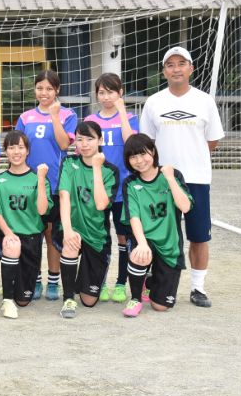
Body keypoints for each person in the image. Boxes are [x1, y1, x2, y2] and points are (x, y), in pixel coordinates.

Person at [139, 46, 224, 308]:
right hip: (162, 181)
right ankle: (156, 281)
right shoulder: (154, 102)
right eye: (170, 65)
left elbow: (212, 142)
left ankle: (198, 288)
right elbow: (147, 143)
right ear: (164, 71)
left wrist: (191, 159)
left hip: (196, 179)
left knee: (199, 236)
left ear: (191, 68)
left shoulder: (204, 101)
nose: (176, 69)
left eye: (181, 63)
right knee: (160, 235)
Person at [16, 70, 77, 302]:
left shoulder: (68, 115)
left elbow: (64, 144)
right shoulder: (26, 117)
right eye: (40, 88)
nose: (44, 93)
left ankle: (53, 281)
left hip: (54, 184)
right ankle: (34, 279)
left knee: (51, 235)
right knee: (32, 235)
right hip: (29, 185)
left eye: (49, 89)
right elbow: (18, 149)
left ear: (57, 90)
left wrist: (54, 116)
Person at [120, 134, 193, 317]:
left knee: (160, 306)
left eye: (143, 154)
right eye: (133, 157)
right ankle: (135, 298)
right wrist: (142, 243)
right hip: (145, 239)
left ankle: (150, 282)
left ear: (152, 151)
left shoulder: (173, 174)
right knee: (139, 252)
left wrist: (169, 179)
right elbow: (134, 217)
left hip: (169, 244)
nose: (139, 161)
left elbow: (185, 206)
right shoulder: (130, 183)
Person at [55, 121, 120, 319]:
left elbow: (101, 205)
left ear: (100, 140)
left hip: (96, 234)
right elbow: (64, 196)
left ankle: (83, 279)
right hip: (72, 228)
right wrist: (67, 230)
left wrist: (97, 169)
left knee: (89, 301)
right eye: (79, 139)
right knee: (70, 244)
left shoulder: (110, 171)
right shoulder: (68, 162)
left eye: (89, 139)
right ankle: (68, 298)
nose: (83, 144)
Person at [84, 73, 138, 303]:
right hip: (99, 188)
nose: (106, 97)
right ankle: (101, 282)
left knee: (124, 238)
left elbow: (130, 143)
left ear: (120, 93)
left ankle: (120, 283)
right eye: (102, 92)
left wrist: (122, 112)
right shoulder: (90, 120)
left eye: (111, 92)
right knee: (100, 237)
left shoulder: (131, 118)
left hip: (123, 189)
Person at [0, 130, 52, 319]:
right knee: (12, 245)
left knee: (24, 300)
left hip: (31, 237)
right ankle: (7, 300)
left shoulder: (37, 177)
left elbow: (42, 210)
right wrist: (8, 233)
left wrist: (41, 180)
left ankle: (15, 282)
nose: (16, 152)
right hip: (6, 235)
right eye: (11, 147)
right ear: (5, 152)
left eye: (20, 147)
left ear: (27, 151)